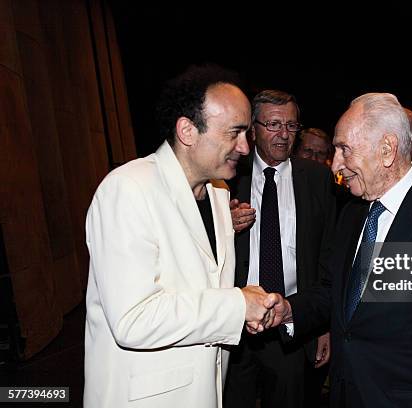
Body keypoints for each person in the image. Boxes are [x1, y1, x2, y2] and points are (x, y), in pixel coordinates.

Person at [274, 93, 412, 407]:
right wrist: (288, 310)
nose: (335, 163)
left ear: (387, 150)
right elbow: (336, 292)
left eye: (344, 149)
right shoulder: (352, 213)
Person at [84, 65, 286, 408]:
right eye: (235, 133)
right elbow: (134, 319)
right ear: (188, 131)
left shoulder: (219, 194)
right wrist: (237, 306)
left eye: (247, 133)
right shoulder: (129, 188)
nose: (245, 147)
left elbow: (207, 294)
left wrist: (252, 310)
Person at [224, 90, 336, 408]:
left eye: (291, 125)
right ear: (253, 129)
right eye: (274, 124)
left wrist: (321, 326)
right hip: (234, 325)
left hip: (290, 323)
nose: (284, 134)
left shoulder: (318, 180)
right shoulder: (227, 177)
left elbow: (326, 259)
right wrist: (223, 225)